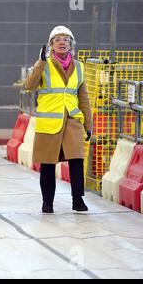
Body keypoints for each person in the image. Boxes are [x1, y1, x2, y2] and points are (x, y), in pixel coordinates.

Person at [24, 26, 93, 213]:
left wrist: (88, 124)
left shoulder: (79, 66)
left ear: (71, 45)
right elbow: (28, 86)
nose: (62, 42)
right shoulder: (43, 64)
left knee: (77, 161)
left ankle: (77, 200)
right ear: (51, 46)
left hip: (72, 121)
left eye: (66, 39)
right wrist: (40, 62)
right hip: (50, 122)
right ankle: (48, 203)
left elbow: (83, 97)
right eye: (57, 39)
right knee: (47, 164)